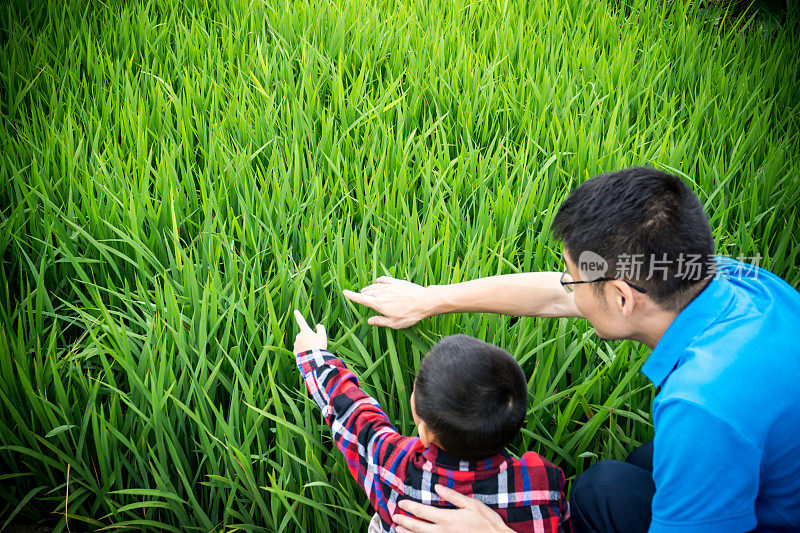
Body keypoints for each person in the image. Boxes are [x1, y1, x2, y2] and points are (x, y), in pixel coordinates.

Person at [343, 167, 800, 532]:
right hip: (760, 456)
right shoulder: (727, 278)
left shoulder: (703, 407)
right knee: (609, 484)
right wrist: (431, 299)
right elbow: (555, 295)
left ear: (623, 298)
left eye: (575, 276)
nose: (569, 288)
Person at [291, 310, 571, 533]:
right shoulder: (542, 481)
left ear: (423, 431)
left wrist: (313, 356)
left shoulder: (395, 467)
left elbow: (355, 416)